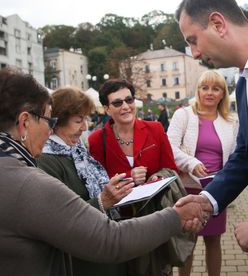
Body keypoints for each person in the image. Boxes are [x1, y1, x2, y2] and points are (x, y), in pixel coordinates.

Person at [0, 68, 204, 276]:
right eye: (48, 121)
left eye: (129, 100)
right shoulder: (31, 178)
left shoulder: (69, 153)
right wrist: (176, 217)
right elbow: (107, 238)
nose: (49, 129)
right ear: (25, 122)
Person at [174, 0, 248, 253]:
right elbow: (244, 155)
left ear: (217, 23)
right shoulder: (242, 84)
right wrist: (207, 200)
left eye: (192, 39)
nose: (193, 53)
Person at [37, 87, 135, 276]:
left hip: (99, 246)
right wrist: (103, 201)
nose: (84, 127)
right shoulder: (46, 159)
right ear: (56, 122)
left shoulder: (76, 150)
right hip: (81, 260)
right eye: (78, 120)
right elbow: (60, 219)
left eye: (86, 119)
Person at [88, 79, 179, 275]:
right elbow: (95, 181)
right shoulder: (97, 139)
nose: (126, 107)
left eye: (129, 100)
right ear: (106, 109)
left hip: (154, 216)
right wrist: (128, 176)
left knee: (157, 269)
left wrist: (156, 178)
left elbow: (171, 169)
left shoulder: (155, 129)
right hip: (118, 224)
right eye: (117, 103)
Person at [167, 70, 238, 276]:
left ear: (222, 94)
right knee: (188, 240)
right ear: (198, 90)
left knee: (214, 240)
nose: (209, 93)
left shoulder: (231, 122)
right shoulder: (184, 114)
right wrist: (191, 163)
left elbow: (235, 155)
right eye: (204, 88)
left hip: (217, 190)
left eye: (215, 89)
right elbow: (169, 146)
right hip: (188, 187)